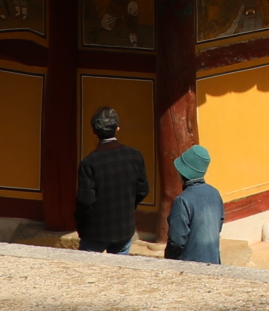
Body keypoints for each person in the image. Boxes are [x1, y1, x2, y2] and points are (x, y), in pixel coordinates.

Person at [76, 106, 148, 254]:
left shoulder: (89, 163)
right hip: (124, 226)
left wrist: (80, 223)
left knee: (88, 266)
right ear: (117, 129)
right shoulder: (134, 156)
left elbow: (85, 200)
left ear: (94, 132)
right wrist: (128, 205)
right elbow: (143, 189)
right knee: (119, 266)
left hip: (95, 230)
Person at [164, 144, 224, 263]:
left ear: (183, 171)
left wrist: (168, 261)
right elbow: (219, 225)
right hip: (213, 261)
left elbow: (176, 240)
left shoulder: (182, 200)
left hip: (190, 265)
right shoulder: (214, 193)